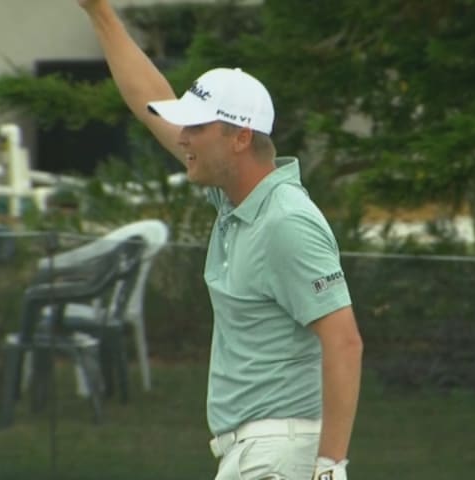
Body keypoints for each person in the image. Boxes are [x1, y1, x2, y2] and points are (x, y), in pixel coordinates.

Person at [76, 2, 363, 479]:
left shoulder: (286, 221)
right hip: (255, 453)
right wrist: (100, 13)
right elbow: (151, 105)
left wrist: (330, 468)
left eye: (196, 127)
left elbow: (344, 342)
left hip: (279, 456)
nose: (182, 137)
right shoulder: (234, 198)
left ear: (239, 138)